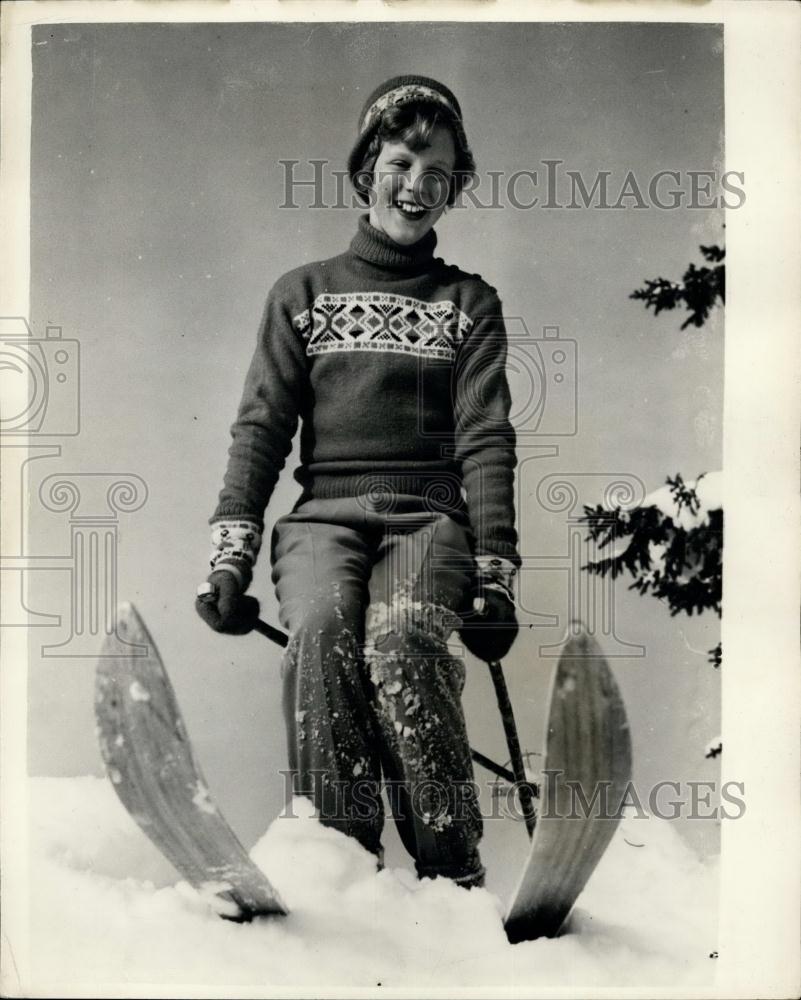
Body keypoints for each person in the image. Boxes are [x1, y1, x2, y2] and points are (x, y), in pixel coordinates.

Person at [196, 76, 520, 889]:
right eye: (403, 160)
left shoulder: (468, 304)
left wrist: (495, 576)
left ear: (454, 189)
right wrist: (230, 558)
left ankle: (451, 874)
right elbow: (261, 430)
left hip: (428, 522)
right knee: (320, 635)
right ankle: (339, 864)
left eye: (439, 173)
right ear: (367, 163)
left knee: (402, 636)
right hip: (323, 522)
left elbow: (484, 438)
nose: (417, 185)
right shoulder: (300, 296)